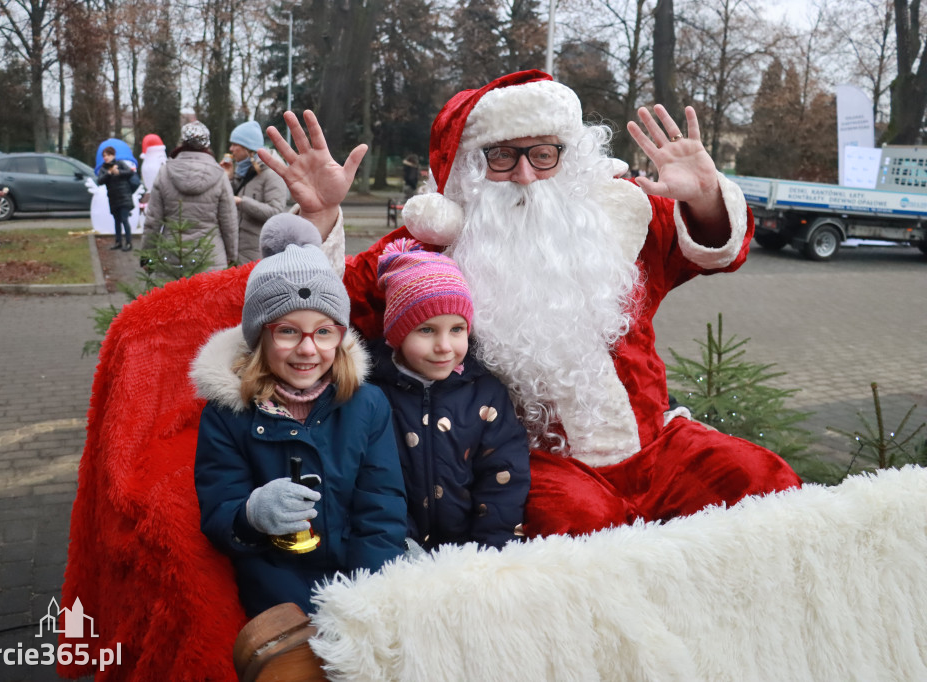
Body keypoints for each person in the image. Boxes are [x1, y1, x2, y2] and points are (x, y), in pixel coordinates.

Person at [256, 69, 802, 539]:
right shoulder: (428, 252)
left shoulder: (619, 222)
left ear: (569, 157)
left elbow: (717, 252)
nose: (525, 175)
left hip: (655, 444)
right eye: (502, 156)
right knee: (580, 527)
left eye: (543, 154)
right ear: (470, 168)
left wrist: (704, 196)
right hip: (524, 461)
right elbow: (330, 305)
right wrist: (322, 215)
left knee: (760, 482)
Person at [191, 213, 408, 617]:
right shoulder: (227, 415)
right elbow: (220, 510)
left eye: (324, 332)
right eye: (288, 331)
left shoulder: (367, 404)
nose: (308, 349)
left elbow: (381, 509)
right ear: (260, 336)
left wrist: (368, 598)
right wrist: (251, 515)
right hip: (277, 593)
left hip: (363, 589)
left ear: (341, 337)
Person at [370, 238, 530, 551]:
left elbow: (503, 476)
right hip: (396, 550)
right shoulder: (373, 393)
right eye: (426, 330)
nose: (444, 346)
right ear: (398, 334)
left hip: (470, 552)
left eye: (457, 329)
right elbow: (371, 482)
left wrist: (493, 549)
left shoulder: (486, 393)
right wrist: (396, 543)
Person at [143, 121, 237, 272]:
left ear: (182, 142)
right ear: (207, 145)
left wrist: (147, 256)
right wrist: (232, 255)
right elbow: (229, 221)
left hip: (171, 257)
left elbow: (152, 220)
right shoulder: (219, 175)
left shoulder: (165, 172)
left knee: (174, 296)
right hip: (210, 257)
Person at [220, 121, 289, 263]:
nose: (231, 149)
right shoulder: (244, 170)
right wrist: (229, 177)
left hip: (256, 255)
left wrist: (241, 202)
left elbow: (276, 211)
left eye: (235, 145)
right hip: (236, 252)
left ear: (248, 148)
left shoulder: (272, 173)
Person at [96, 146, 136, 251]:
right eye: (104, 156)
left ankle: (128, 243)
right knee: (116, 221)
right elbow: (99, 181)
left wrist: (119, 172)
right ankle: (118, 242)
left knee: (124, 219)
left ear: (113, 155)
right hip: (113, 198)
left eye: (108, 155)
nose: (106, 157)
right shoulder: (104, 168)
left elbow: (130, 173)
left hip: (124, 196)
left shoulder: (120, 164)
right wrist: (109, 173)